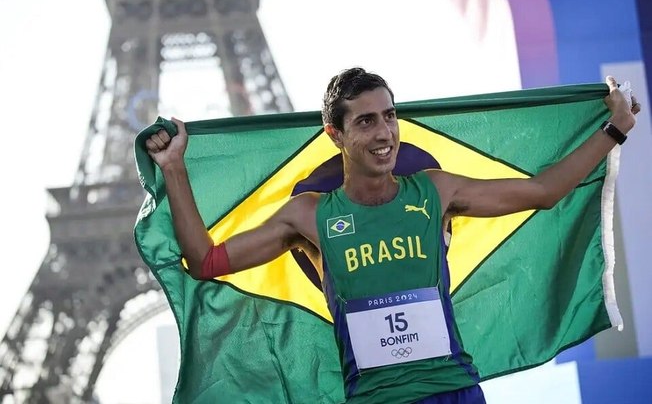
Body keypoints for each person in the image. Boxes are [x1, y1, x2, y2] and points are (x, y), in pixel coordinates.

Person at [145, 68, 640, 403]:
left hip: (453, 388)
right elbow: (205, 260)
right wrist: (174, 169)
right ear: (334, 134)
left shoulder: (435, 191)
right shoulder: (309, 216)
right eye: (366, 122)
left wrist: (615, 128)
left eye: (390, 116)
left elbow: (543, 191)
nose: (385, 133)